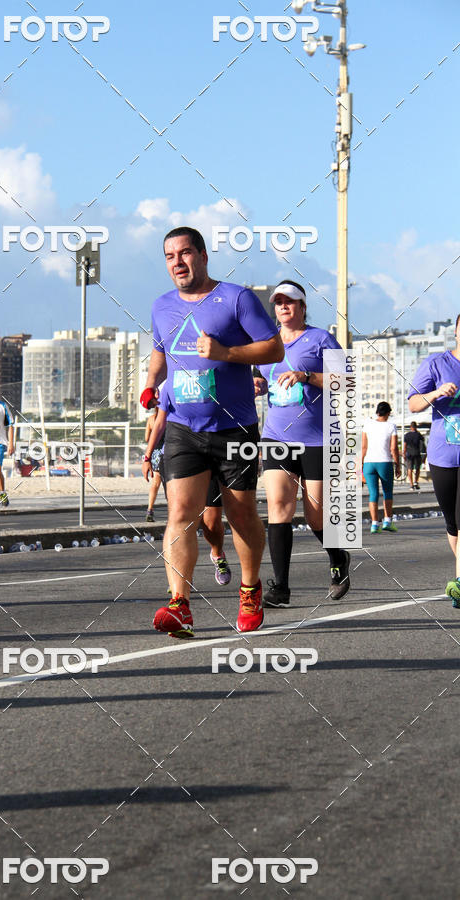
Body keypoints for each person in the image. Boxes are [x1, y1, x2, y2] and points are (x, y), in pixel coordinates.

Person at [141, 226, 283, 638]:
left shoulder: (236, 298)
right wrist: (151, 386)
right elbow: (159, 352)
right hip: (184, 428)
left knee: (240, 515)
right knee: (181, 516)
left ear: (203, 255)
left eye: (185, 253)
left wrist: (225, 353)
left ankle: (250, 588)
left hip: (234, 428)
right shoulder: (161, 306)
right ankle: (179, 605)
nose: (178, 263)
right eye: (170, 256)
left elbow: (273, 349)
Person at [254, 280, 351, 608]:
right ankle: (280, 587)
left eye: (290, 301)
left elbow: (345, 381)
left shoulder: (320, 339)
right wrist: (254, 383)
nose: (283, 306)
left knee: (315, 516)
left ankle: (338, 557)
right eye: (278, 302)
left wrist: (306, 376)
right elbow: (259, 377)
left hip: (316, 438)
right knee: (279, 506)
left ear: (302, 306)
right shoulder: (266, 342)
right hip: (276, 435)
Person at [143, 400, 233, 586]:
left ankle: (217, 555)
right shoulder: (170, 385)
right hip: (177, 457)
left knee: (211, 521)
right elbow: (159, 423)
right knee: (180, 519)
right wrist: (147, 456)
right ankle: (178, 577)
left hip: (210, 453)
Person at [408, 315, 460, 605]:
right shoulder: (436, 364)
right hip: (443, 455)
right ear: (455, 332)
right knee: (452, 524)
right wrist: (437, 392)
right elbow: (413, 404)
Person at [362, 401, 400, 533]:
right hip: (384, 462)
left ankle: (374, 524)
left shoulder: (367, 425)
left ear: (377, 412)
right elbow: (394, 448)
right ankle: (387, 522)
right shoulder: (391, 426)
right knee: (387, 492)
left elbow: (363, 447)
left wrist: (360, 466)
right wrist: (398, 465)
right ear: (388, 413)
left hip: (368, 463)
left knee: (373, 494)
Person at [144, 407, 163, 522]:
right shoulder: (168, 418)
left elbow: (147, 438)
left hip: (155, 452)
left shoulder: (151, 419)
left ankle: (150, 509)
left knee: (155, 483)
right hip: (168, 451)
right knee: (170, 484)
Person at [0, 400, 15, 507]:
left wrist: (11, 444)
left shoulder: (2, 405)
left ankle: (1, 493)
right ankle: (1, 493)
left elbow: (11, 424)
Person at [403, 420, 425, 490]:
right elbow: (422, 442)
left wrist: (404, 453)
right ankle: (416, 482)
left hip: (409, 454)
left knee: (409, 468)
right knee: (417, 468)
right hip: (417, 453)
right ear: (416, 427)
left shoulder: (407, 435)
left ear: (410, 427)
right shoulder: (418, 435)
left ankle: (411, 484)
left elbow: (405, 445)